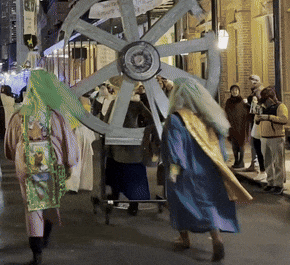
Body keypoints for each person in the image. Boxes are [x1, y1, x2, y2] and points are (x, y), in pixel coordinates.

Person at [162, 77, 252, 262]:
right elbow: (220, 146)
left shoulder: (176, 119)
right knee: (208, 204)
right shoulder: (209, 116)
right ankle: (217, 238)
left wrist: (173, 171)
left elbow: (175, 148)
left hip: (185, 170)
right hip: (208, 169)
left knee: (178, 203)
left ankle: (184, 238)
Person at [5, 70, 81, 265]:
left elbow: (11, 143)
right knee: (48, 200)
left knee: (32, 205)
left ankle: (36, 248)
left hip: (27, 162)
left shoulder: (20, 115)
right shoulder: (55, 114)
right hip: (50, 160)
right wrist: (69, 163)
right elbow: (67, 140)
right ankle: (44, 238)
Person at [104, 81, 155, 216]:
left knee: (116, 171)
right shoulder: (137, 103)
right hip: (134, 144)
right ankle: (134, 205)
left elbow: (104, 123)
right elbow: (150, 119)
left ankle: (115, 199)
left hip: (117, 144)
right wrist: (143, 132)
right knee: (135, 176)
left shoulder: (115, 103)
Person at [254, 86, 289, 194]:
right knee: (267, 162)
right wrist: (257, 118)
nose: (265, 102)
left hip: (277, 137)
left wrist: (269, 117)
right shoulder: (262, 106)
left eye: (266, 99)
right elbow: (256, 121)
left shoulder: (280, 106)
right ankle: (270, 182)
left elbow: (284, 119)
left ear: (271, 97)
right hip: (264, 137)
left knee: (278, 162)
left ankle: (279, 184)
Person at [223, 84, 250, 169]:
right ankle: (236, 160)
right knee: (234, 145)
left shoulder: (242, 101)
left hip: (241, 126)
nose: (235, 91)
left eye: (236, 90)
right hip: (232, 127)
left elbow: (247, 113)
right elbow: (226, 113)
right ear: (230, 91)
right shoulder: (228, 101)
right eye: (233, 90)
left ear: (239, 91)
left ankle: (241, 161)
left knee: (241, 145)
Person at [244, 75, 265, 180]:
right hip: (253, 120)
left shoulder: (259, 92)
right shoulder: (254, 92)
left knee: (256, 143)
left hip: (257, 120)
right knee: (254, 143)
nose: (253, 82)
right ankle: (254, 164)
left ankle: (258, 167)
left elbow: (257, 107)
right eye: (251, 80)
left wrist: (247, 104)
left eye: (255, 80)